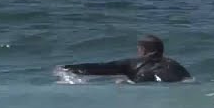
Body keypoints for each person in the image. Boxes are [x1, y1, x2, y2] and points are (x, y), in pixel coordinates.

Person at [58, 34, 192, 83]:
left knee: (120, 82)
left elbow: (102, 67)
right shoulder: (176, 65)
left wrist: (68, 68)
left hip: (145, 82)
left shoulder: (134, 63)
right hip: (173, 84)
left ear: (143, 50)